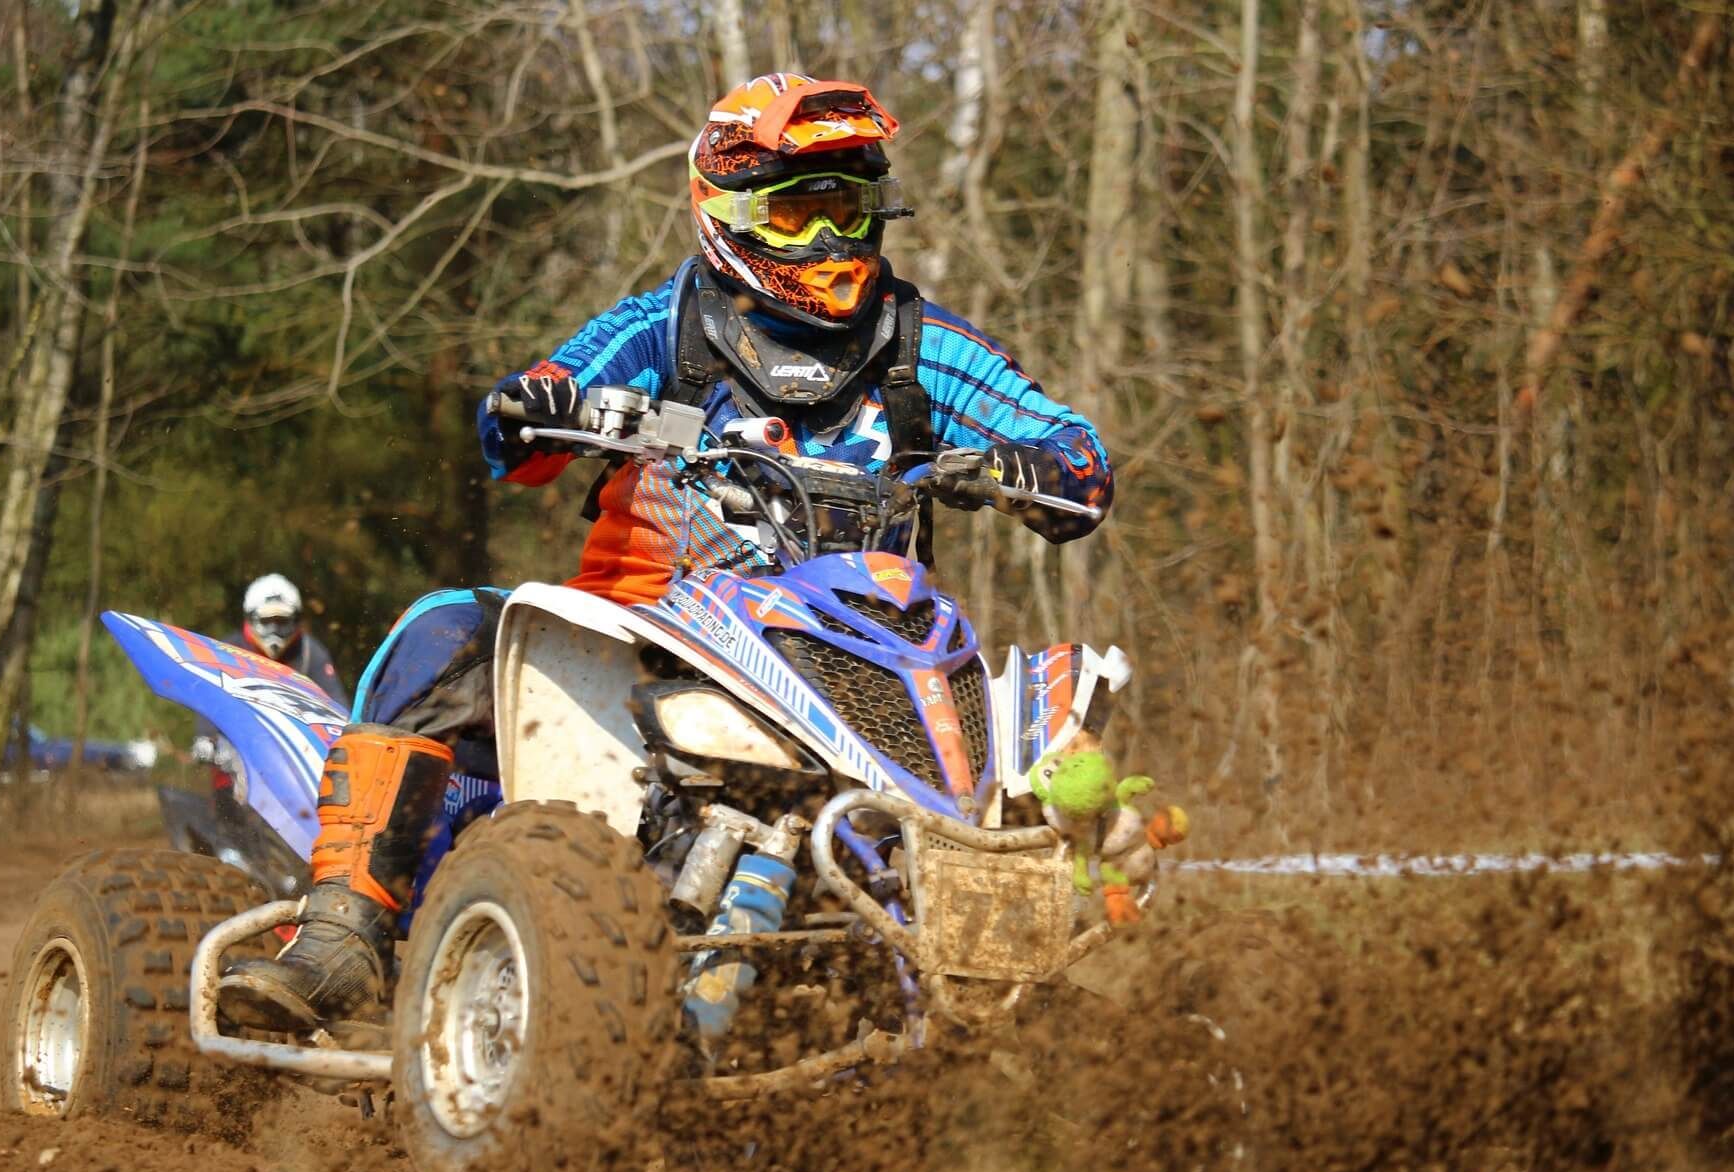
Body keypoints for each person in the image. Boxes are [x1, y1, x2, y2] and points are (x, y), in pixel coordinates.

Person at [218, 72, 1116, 1033]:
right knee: (444, 628)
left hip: (853, 660)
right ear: (729, 215)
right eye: (799, 214)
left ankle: (1011, 987)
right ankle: (341, 932)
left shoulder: (920, 345)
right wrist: (541, 404)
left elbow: (1075, 448)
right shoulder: (664, 329)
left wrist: (1040, 464)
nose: (831, 241)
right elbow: (527, 421)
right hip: (644, 632)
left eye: (850, 211)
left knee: (1047, 726)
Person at [191, 574, 348, 833]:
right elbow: (207, 697)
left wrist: (344, 738)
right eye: (267, 621)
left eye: (282, 621)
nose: (275, 629)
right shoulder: (226, 651)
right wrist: (206, 737)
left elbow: (337, 705)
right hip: (235, 755)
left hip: (294, 757)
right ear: (251, 618)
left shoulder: (310, 653)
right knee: (227, 823)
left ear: (296, 620)